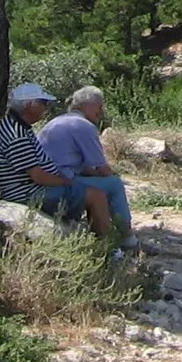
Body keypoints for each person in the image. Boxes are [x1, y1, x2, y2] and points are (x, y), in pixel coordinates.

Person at [0, 83, 115, 242]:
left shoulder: (17, 126)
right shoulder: (16, 134)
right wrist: (65, 182)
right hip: (28, 194)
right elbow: (37, 175)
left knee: (86, 192)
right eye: (42, 103)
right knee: (96, 196)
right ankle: (111, 247)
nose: (45, 107)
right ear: (29, 105)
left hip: (29, 189)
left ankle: (97, 239)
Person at [38, 86, 136, 250]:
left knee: (98, 187)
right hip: (60, 181)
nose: (101, 111)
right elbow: (102, 168)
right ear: (88, 105)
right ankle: (128, 237)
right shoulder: (82, 125)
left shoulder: (58, 121)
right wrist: (112, 176)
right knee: (114, 184)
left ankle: (103, 236)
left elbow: (77, 164)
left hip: (50, 177)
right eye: (99, 106)